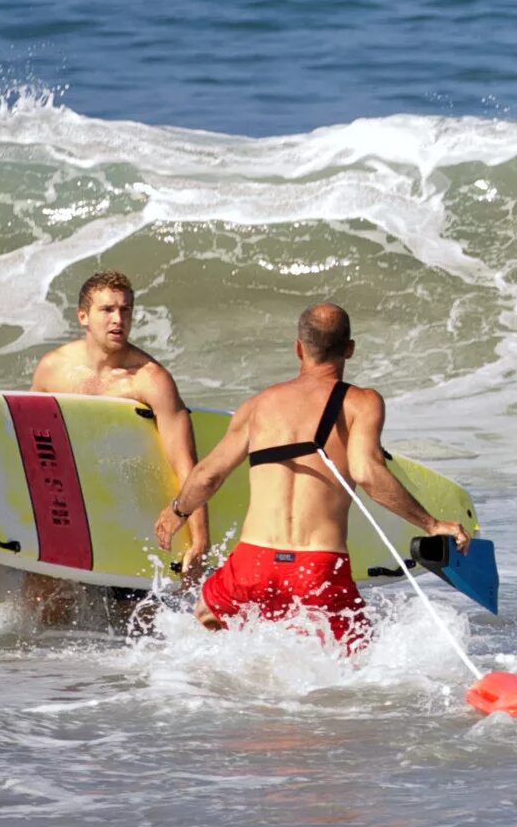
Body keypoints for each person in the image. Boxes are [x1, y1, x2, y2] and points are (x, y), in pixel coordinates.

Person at [153, 303, 471, 649]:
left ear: (298, 348)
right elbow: (367, 472)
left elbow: (207, 477)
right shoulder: (361, 403)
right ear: (349, 348)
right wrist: (430, 523)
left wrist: (177, 513)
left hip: (252, 563)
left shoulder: (258, 405)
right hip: (316, 566)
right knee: (358, 659)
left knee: (207, 615)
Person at [28, 270, 207, 625]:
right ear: (83, 316)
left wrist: (199, 539)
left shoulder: (150, 379)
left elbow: (185, 461)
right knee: (47, 613)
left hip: (131, 516)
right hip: (69, 513)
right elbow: (29, 449)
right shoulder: (52, 370)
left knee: (134, 626)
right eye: (107, 309)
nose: (118, 319)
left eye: (125, 310)